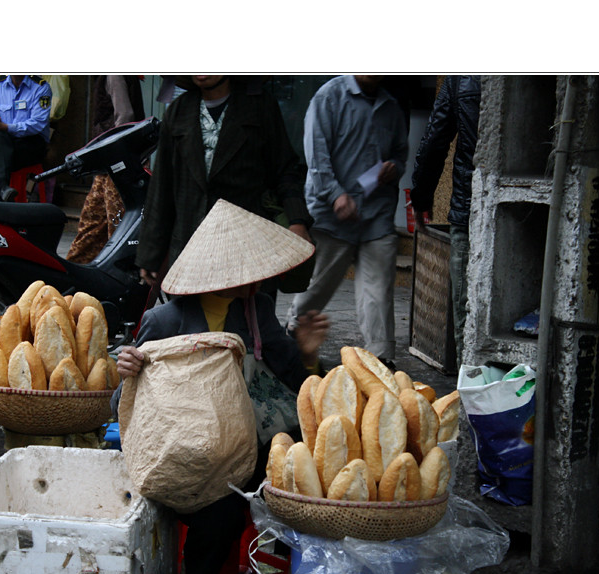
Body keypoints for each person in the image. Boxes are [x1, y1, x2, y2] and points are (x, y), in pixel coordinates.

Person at [117, 200, 329, 574]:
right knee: (224, 507)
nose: (256, 280)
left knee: (304, 480)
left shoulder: (257, 310)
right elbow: (122, 407)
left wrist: (306, 354)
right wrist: (129, 372)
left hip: (245, 443)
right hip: (186, 454)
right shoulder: (164, 322)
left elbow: (292, 377)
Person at [135, 75, 312, 300]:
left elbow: (285, 169)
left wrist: (297, 221)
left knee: (246, 325)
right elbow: (162, 188)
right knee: (192, 329)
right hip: (191, 246)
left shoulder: (259, 106)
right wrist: (151, 254)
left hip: (246, 246)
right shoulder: (179, 111)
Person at [286, 75, 408, 367]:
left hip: (376, 213)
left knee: (378, 290)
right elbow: (316, 157)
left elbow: (400, 152)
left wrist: (396, 167)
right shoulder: (328, 97)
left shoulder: (391, 106)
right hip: (333, 213)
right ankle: (292, 335)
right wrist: (335, 194)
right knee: (320, 285)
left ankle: (381, 360)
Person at [409, 75, 480, 363]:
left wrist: (422, 198)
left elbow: (435, 139)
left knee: (467, 316)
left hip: (468, 209)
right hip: (490, 209)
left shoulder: (461, 77)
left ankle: (470, 395)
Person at [66, 75, 145, 263]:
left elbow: (125, 117)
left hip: (117, 164)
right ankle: (74, 273)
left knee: (117, 226)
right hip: (107, 165)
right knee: (91, 224)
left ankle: (119, 270)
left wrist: (114, 151)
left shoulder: (114, 74)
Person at [0, 75, 52, 202]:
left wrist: (6, 127)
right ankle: (3, 188)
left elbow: (38, 124)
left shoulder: (41, 87)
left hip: (31, 143)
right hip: (4, 143)